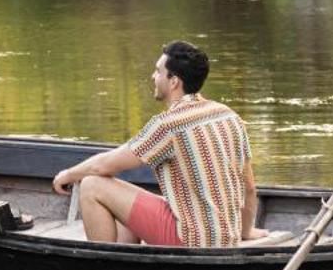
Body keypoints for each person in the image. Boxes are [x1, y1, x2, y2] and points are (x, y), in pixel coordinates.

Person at [50, 40, 267, 247]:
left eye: (158, 71)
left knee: (92, 185)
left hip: (191, 241)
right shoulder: (228, 116)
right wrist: (245, 231)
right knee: (125, 204)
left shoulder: (169, 125)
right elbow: (249, 187)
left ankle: (105, 268)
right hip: (226, 236)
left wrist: (68, 175)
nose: (153, 76)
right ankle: (128, 262)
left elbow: (102, 166)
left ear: (174, 81)